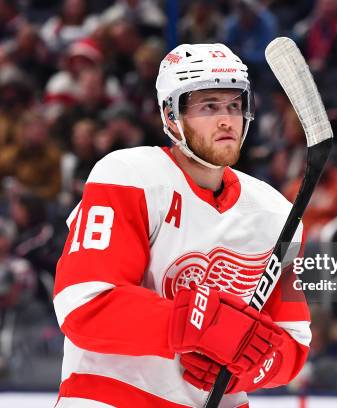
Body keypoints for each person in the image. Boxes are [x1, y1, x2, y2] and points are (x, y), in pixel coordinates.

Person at [53, 43, 311, 407]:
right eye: (209, 106)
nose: (227, 120)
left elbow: (293, 344)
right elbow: (85, 305)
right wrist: (197, 324)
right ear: (171, 116)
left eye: (234, 106)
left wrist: (248, 364)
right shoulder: (127, 176)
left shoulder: (276, 213)